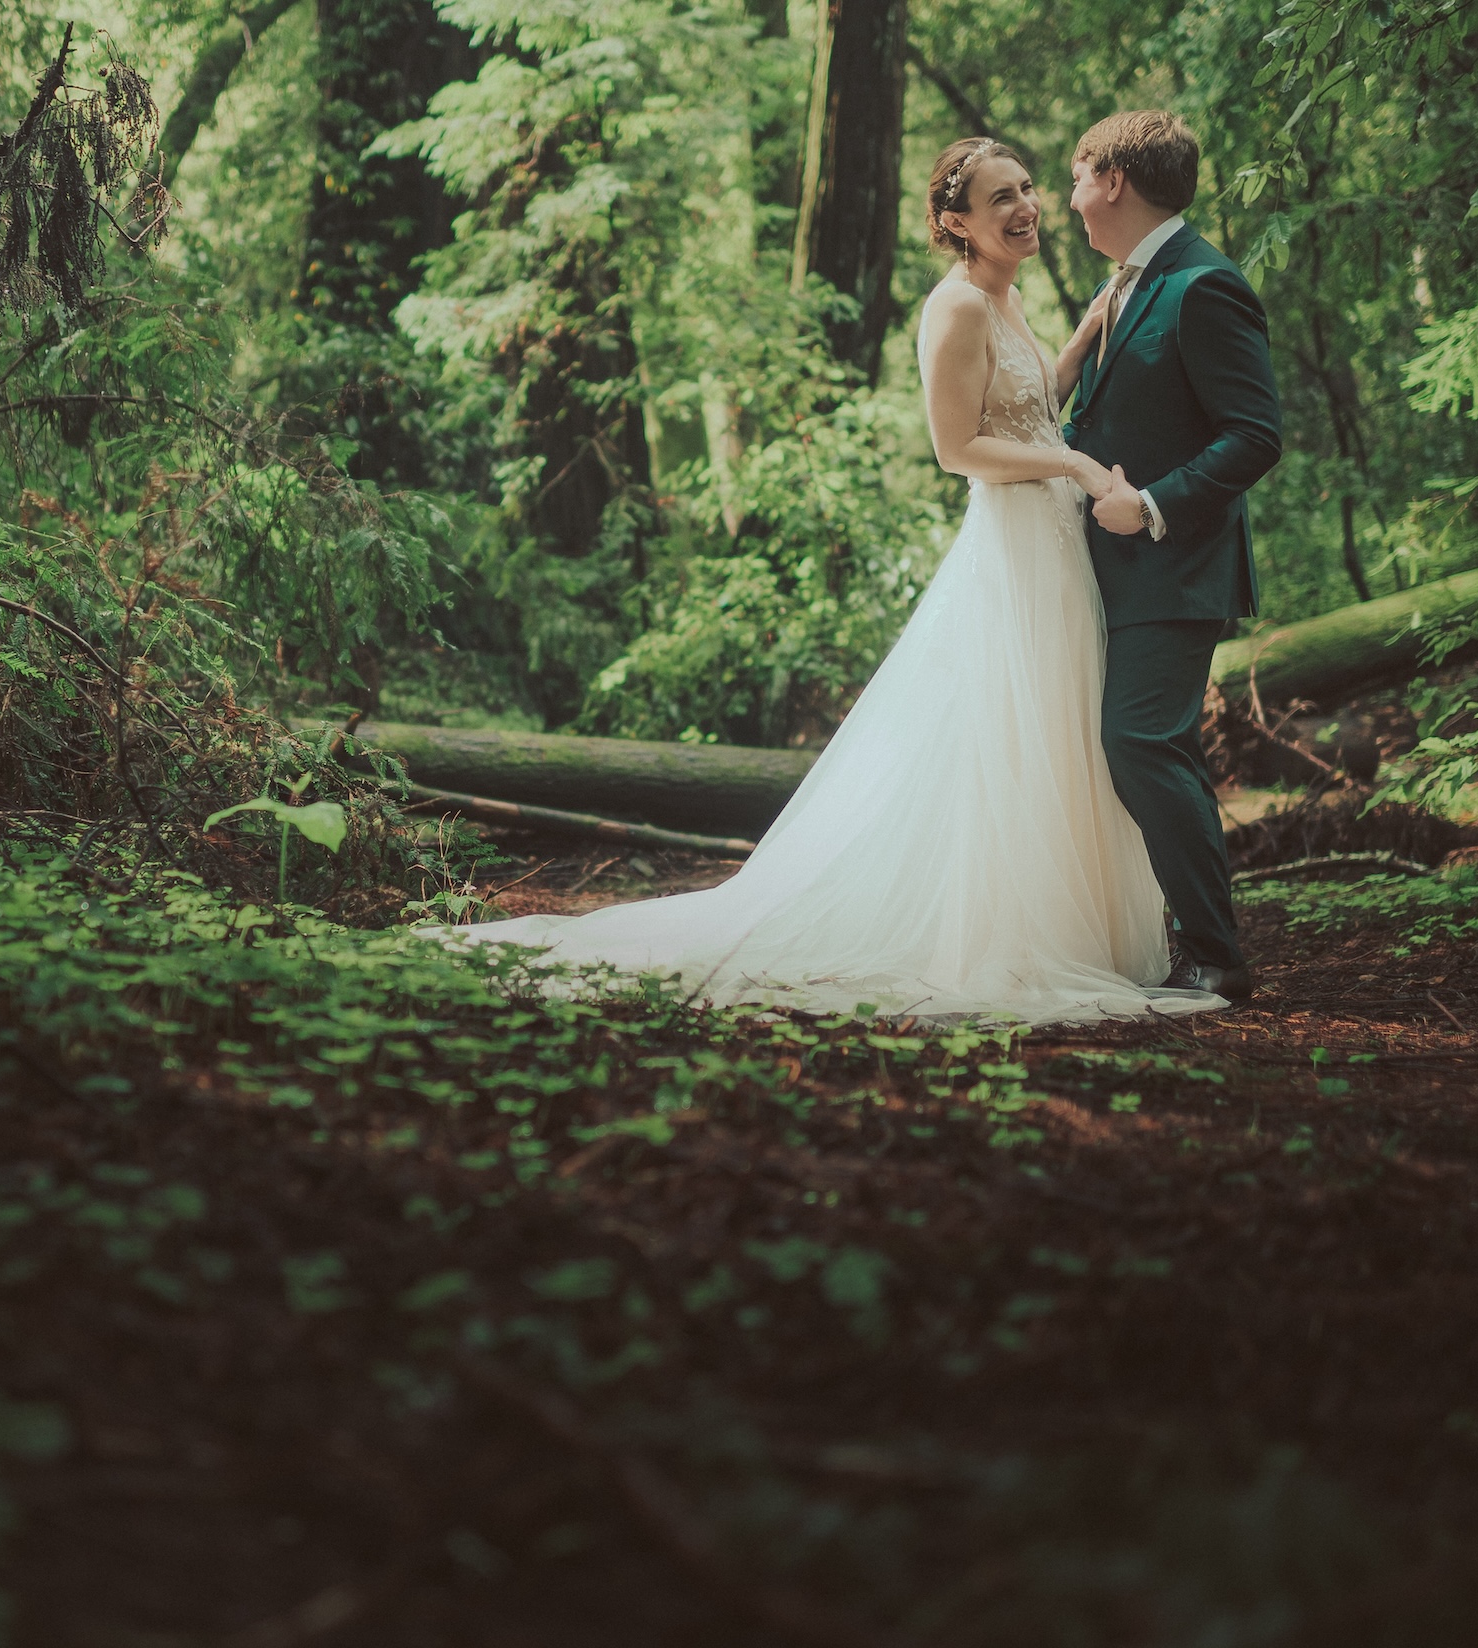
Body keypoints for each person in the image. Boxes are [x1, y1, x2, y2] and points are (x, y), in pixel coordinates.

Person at [439, 134, 1237, 1025]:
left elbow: (1030, 406)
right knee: (1002, 739)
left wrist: (1086, 335)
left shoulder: (1009, 301)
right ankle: (995, 932)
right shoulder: (958, 306)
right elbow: (957, 447)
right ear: (954, 222)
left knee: (1054, 739)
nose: (1025, 207)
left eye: (1028, 188)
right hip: (1016, 545)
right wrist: (1082, 471)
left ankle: (1076, 926)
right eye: (998, 199)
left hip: (1057, 554)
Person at [1063, 110, 1282, 1002]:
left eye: (1076, 176)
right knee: (1140, 743)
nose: (1070, 198)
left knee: (1141, 740)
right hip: (1108, 573)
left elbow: (1255, 435)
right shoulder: (1123, 287)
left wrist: (1149, 505)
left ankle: (1215, 954)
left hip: (1173, 564)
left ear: (1114, 179)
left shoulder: (1203, 285)